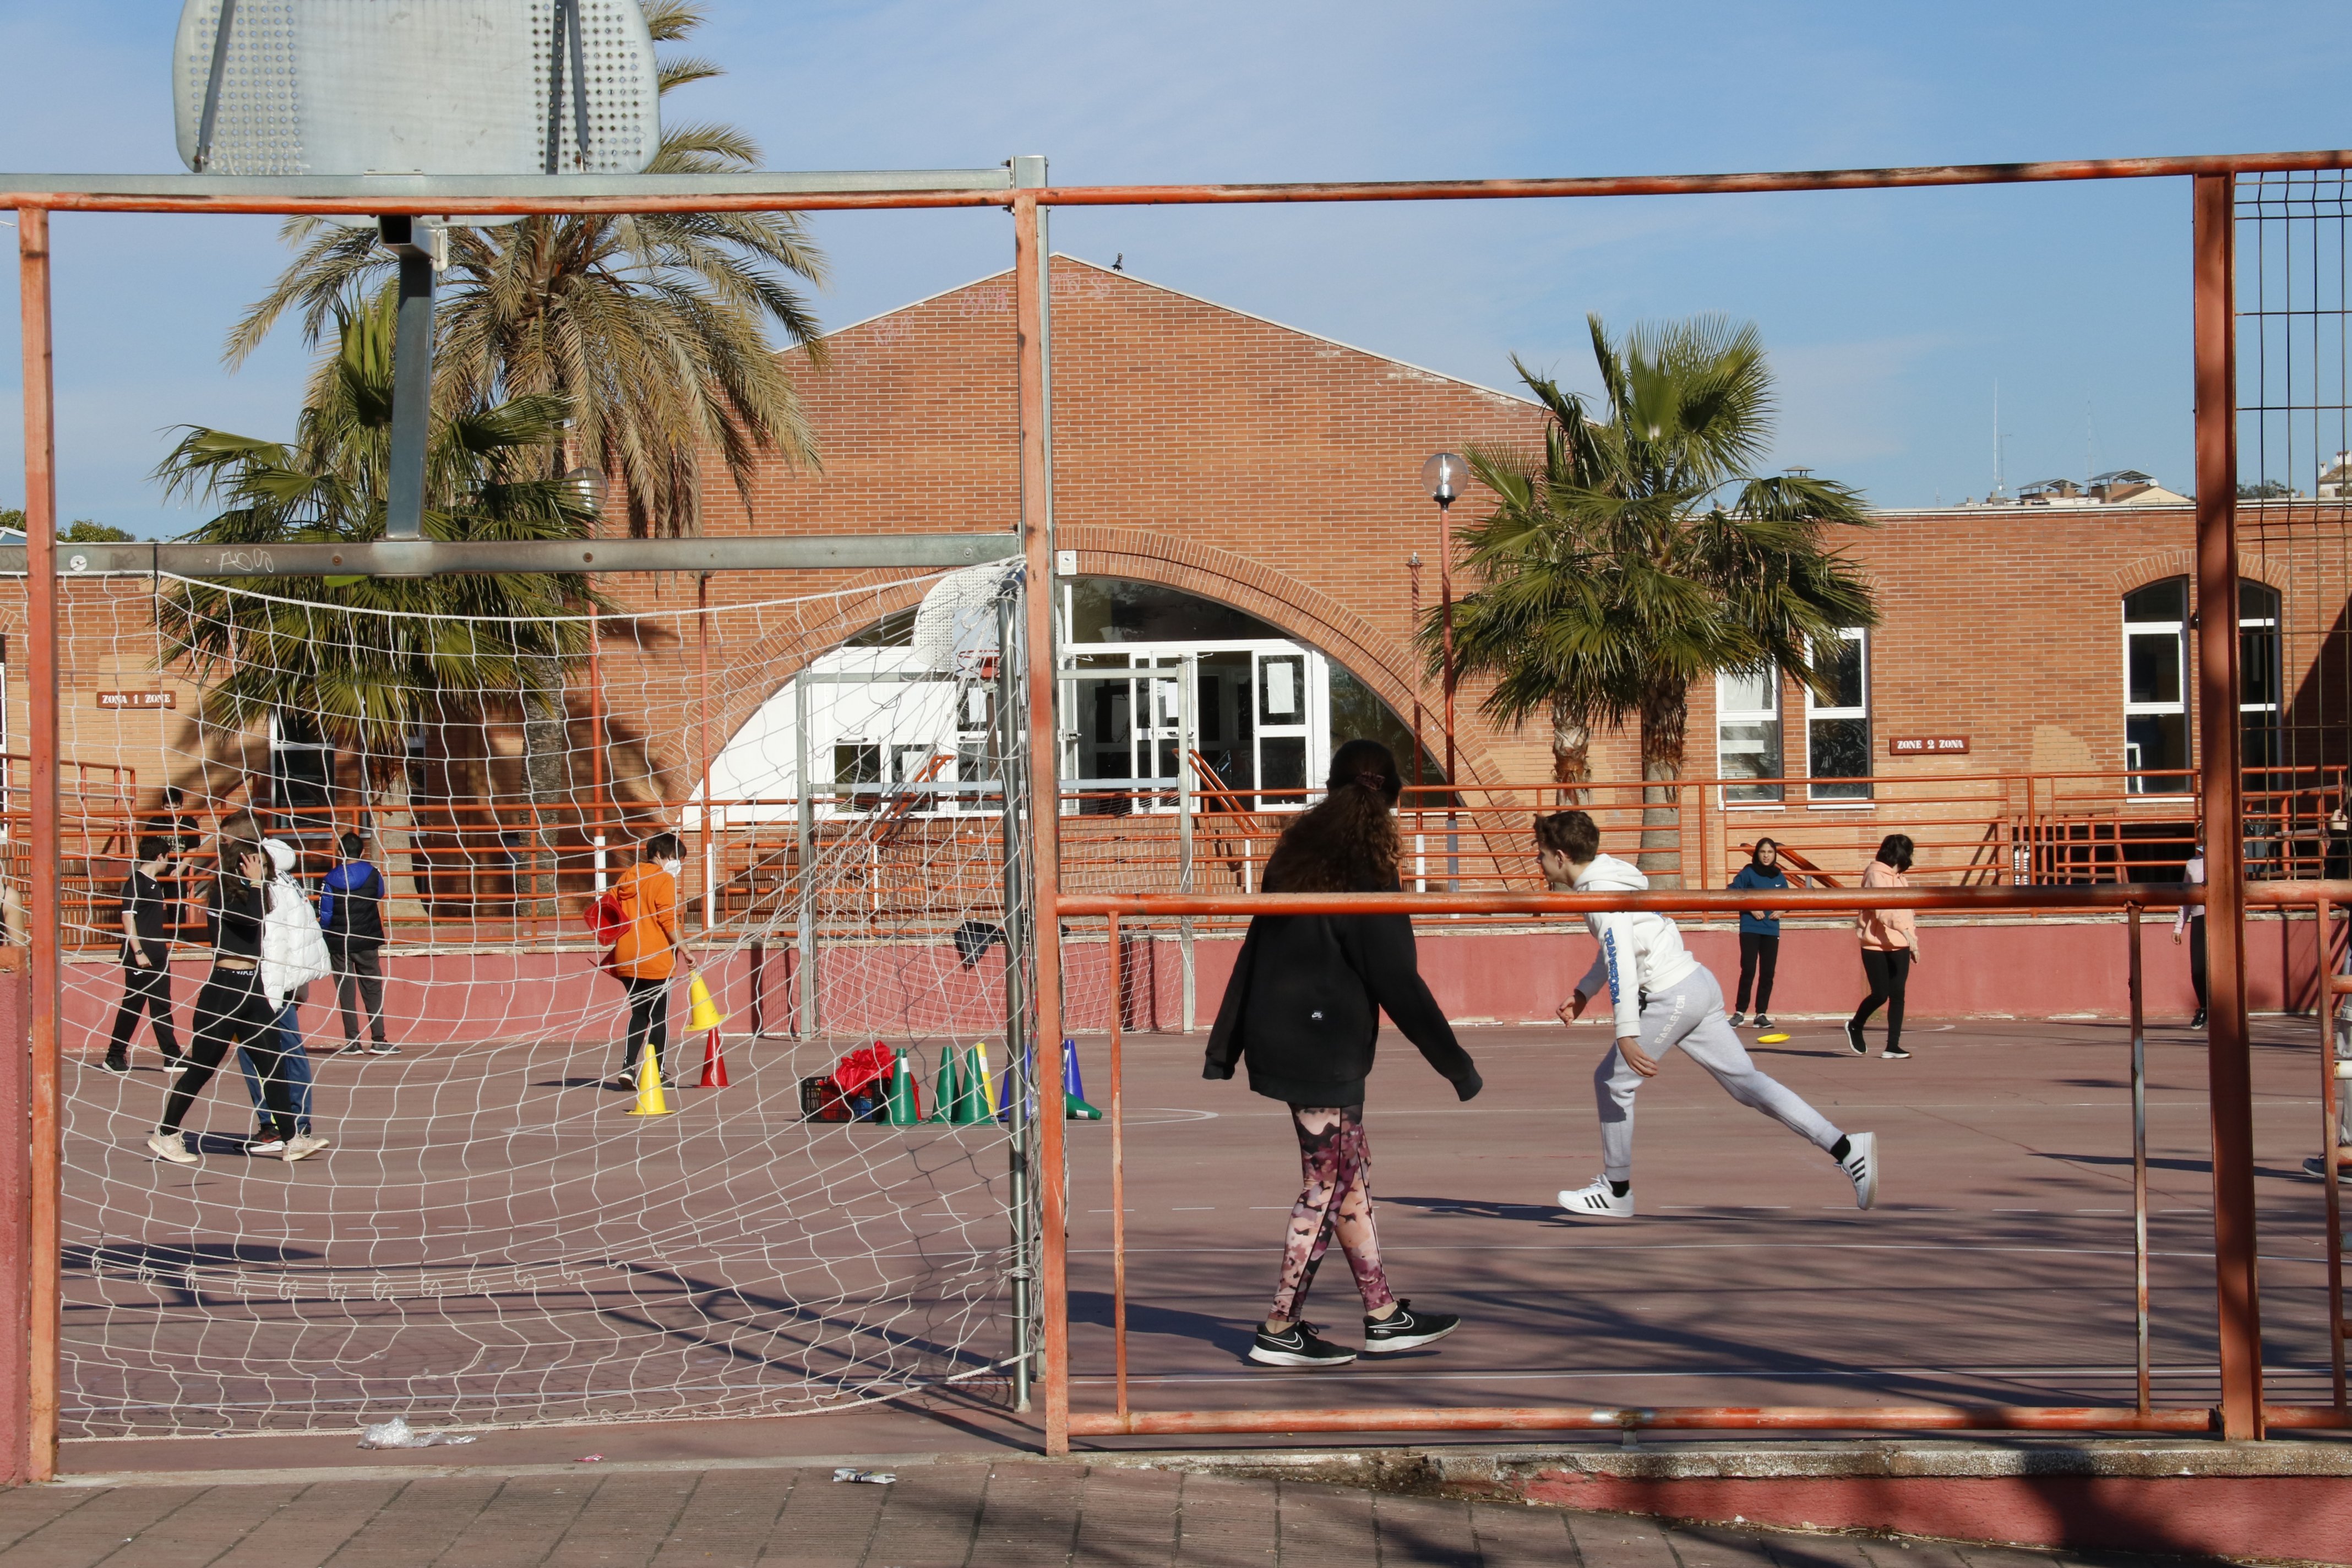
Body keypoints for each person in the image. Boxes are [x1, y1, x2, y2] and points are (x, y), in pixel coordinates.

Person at [1206, 739, 1481, 1369]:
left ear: (1331, 787)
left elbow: (1255, 947)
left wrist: (1228, 1044)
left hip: (1291, 1035)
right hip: (1320, 1046)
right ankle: (1279, 1326)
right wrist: (1455, 1062)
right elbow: (1396, 976)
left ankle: (1384, 1316)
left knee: (1347, 1176)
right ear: (1390, 797)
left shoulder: (1295, 853)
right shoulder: (1369, 865)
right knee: (1326, 1184)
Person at [1538, 809, 1876, 1219]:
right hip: (1696, 983)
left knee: (1612, 1082)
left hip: (1672, 994)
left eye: (1540, 855)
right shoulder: (1612, 880)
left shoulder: (1600, 897)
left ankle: (1616, 1189)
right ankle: (1847, 1148)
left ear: (1560, 855)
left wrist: (1626, 1033)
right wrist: (1582, 992)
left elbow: (1621, 961)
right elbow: (1617, 949)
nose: (1538, 864)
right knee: (1747, 1085)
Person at [144, 839, 324, 1165]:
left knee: (274, 1065)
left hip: (252, 990)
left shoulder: (253, 890)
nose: (265, 872)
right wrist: (255, 882)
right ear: (241, 866)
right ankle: (167, 1134)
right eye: (258, 865)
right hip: (224, 993)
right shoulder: (223, 895)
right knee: (202, 1068)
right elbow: (253, 919)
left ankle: (291, 1139)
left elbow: (268, 911)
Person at [234, 840, 323, 1150]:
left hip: (269, 984)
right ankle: (296, 1123)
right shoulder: (290, 883)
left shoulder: (270, 887)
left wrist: (268, 992)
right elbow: (304, 937)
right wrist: (301, 983)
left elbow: (275, 940)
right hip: (285, 982)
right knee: (286, 1051)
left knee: (257, 1052)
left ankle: (278, 1126)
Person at [609, 831, 693, 1090]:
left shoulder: (627, 877)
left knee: (638, 1013)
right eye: (674, 857)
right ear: (660, 854)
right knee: (658, 1016)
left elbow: (610, 909)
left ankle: (627, 1067)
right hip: (654, 955)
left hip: (625, 955)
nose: (676, 863)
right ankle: (656, 1071)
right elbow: (667, 920)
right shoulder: (662, 879)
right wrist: (687, 951)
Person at [100, 836, 184, 1072]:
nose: (168, 862)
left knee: (161, 1005)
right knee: (133, 1006)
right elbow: (128, 917)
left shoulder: (154, 882)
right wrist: (138, 952)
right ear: (160, 856)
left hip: (158, 956)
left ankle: (172, 1056)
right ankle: (114, 1056)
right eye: (168, 857)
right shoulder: (136, 882)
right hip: (142, 957)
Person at [1845, 834, 1921, 1059]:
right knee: (1880, 994)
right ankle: (1855, 1025)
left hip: (1900, 943)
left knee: (1898, 995)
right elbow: (1882, 910)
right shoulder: (1874, 874)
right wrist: (1905, 932)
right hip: (1875, 943)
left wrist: (1913, 940)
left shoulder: (1900, 878)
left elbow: (1907, 912)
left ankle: (1893, 1046)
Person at [319, 831, 395, 1055]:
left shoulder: (330, 879)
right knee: (372, 988)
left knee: (346, 990)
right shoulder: (374, 874)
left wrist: (327, 935)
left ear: (340, 853)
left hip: (340, 942)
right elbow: (379, 894)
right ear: (362, 852)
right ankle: (379, 1039)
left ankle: (353, 1041)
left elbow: (326, 915)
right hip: (367, 939)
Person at [1726, 838, 1793, 1029]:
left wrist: (1783, 910)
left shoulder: (1779, 876)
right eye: (1763, 852)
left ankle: (1761, 1014)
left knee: (1768, 972)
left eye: (1770, 852)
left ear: (1775, 855)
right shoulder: (1748, 872)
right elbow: (1732, 892)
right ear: (1757, 853)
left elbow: (1790, 899)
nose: (1766, 856)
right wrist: (1750, 908)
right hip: (1750, 928)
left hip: (1771, 930)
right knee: (1748, 969)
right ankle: (1739, 1013)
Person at [2173, 837, 2207, 1030]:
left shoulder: (2233, 856)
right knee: (2198, 969)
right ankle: (2204, 1006)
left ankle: (2223, 1009)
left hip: (2223, 918)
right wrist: (2179, 927)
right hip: (2200, 918)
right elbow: (2185, 897)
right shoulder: (2192, 864)